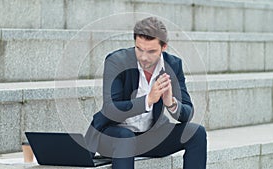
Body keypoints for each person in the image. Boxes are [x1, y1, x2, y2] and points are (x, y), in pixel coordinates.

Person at [85, 16, 207, 169]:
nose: (143, 57)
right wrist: (148, 100)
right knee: (126, 137)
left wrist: (171, 103)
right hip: (114, 136)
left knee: (197, 133)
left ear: (164, 47)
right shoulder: (116, 61)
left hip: (149, 137)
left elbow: (187, 114)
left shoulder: (173, 65)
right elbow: (111, 109)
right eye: (139, 49)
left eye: (151, 51)